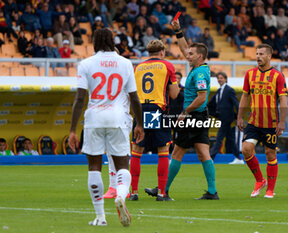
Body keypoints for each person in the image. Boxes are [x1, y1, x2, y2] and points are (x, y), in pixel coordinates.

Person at [68, 28, 144, 227]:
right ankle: (120, 195)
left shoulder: (86, 64)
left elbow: (79, 98)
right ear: (113, 41)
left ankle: (100, 217)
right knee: (122, 164)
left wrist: (73, 130)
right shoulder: (126, 63)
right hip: (118, 117)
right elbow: (134, 97)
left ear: (94, 42)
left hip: (94, 117)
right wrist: (140, 124)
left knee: (94, 166)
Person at [145, 19, 219, 200]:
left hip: (193, 116)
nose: (187, 54)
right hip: (200, 116)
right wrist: (178, 32)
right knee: (203, 153)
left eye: (191, 53)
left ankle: (164, 189)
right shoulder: (198, 67)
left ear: (199, 56)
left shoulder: (200, 72)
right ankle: (212, 191)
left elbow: (202, 97)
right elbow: (185, 48)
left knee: (177, 151)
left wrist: (184, 113)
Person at [128, 39, 179, 201]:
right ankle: (161, 193)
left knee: (137, 151)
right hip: (158, 108)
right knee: (162, 150)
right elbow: (174, 94)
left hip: (140, 109)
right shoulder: (167, 66)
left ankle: (134, 192)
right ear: (162, 52)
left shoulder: (138, 67)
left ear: (148, 53)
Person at [237, 43, 288, 199]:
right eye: (257, 53)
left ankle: (270, 190)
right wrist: (240, 116)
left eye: (261, 54)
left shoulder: (278, 76)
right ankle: (260, 180)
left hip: (271, 123)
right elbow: (245, 96)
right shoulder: (250, 74)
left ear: (269, 56)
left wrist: (282, 122)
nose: (258, 57)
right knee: (246, 149)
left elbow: (283, 100)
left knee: (270, 154)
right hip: (253, 122)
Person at [207, 72, 243, 164]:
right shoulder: (219, 91)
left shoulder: (229, 90)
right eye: (218, 78)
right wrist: (215, 114)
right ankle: (238, 158)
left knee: (219, 138)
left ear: (226, 79)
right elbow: (210, 104)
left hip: (227, 118)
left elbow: (236, 103)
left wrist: (239, 116)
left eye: (221, 78)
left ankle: (211, 157)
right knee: (230, 139)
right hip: (222, 118)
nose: (219, 80)